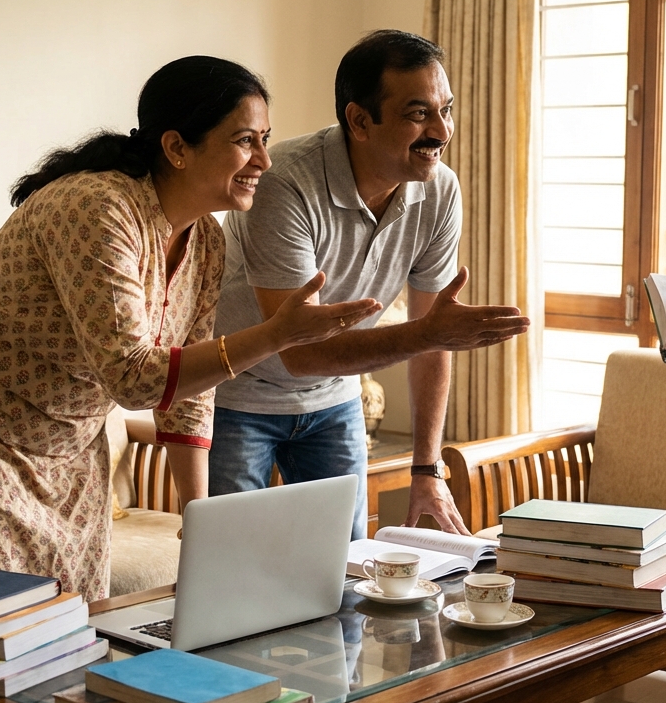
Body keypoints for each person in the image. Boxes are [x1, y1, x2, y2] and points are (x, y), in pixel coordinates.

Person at [0, 56, 380, 602]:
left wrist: (199, 514)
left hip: (67, 434)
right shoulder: (96, 207)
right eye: (246, 141)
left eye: (265, 140)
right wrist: (274, 335)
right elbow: (134, 378)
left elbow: (189, 392)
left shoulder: (206, 241)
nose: (264, 161)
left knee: (72, 607)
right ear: (176, 147)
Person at [197, 30, 530, 538]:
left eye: (446, 110)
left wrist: (426, 468)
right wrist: (428, 334)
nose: (441, 131)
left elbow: (431, 334)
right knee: (234, 559)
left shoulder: (439, 189)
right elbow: (300, 351)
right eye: (418, 113)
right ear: (359, 121)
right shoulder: (284, 182)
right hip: (239, 395)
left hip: (335, 399)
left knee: (344, 565)